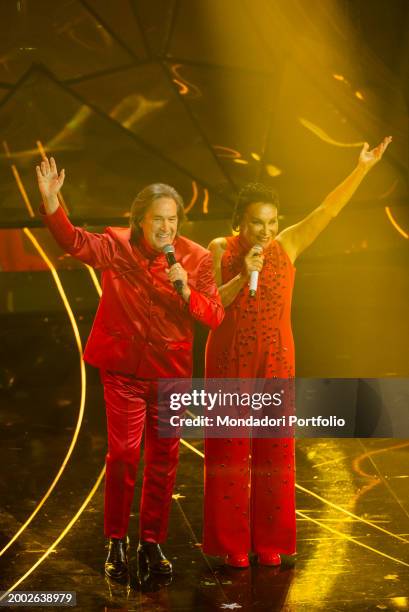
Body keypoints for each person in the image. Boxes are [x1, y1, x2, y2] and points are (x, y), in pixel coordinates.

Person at [203, 137, 392, 568]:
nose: (266, 232)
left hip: (275, 357)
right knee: (230, 452)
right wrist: (242, 273)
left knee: (274, 450)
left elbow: (328, 210)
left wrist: (361, 168)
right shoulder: (220, 248)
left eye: (271, 223)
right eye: (256, 224)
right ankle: (233, 543)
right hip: (230, 358)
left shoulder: (288, 245)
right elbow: (214, 304)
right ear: (239, 223)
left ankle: (269, 540)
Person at [36, 157, 224, 579]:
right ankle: (116, 540)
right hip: (122, 371)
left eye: (172, 220)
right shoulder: (116, 246)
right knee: (122, 454)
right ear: (139, 220)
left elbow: (213, 316)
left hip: (170, 373)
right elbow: (74, 242)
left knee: (165, 457)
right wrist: (51, 201)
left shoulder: (195, 259)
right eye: (157, 219)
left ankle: (151, 543)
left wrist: (186, 289)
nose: (166, 229)